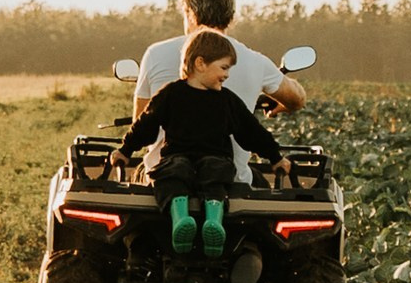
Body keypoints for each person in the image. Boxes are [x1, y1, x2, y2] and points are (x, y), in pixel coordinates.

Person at [112, 30, 289, 257]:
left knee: (182, 175)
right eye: (224, 68)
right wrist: (126, 149)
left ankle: (204, 224)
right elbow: (147, 124)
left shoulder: (196, 96)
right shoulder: (202, 97)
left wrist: (275, 156)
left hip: (198, 159)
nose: (227, 75)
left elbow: (252, 132)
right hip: (194, 158)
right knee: (193, 175)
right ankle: (188, 222)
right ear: (200, 63)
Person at [132, 0, 304, 185]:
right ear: (230, 17)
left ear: (189, 12)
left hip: (167, 178)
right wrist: (280, 104)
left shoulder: (155, 54)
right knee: (261, 185)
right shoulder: (255, 61)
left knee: (140, 174)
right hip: (230, 181)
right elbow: (297, 99)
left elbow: (140, 121)